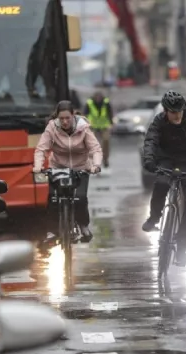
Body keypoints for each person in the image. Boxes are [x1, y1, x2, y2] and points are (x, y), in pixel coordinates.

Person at [141, 90, 186, 266]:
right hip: (167, 160)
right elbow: (150, 141)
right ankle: (154, 217)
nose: (176, 116)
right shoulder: (159, 122)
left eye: (179, 111)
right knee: (160, 183)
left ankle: (182, 247)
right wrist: (149, 159)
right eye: (172, 112)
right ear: (166, 111)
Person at [33, 100, 103, 243]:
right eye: (61, 118)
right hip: (58, 168)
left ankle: (83, 226)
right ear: (57, 118)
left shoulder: (83, 128)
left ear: (73, 116)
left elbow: (95, 149)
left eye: (67, 118)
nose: (64, 121)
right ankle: (52, 231)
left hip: (81, 168)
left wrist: (95, 165)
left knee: (80, 199)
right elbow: (41, 149)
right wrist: (38, 166)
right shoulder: (52, 128)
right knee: (53, 198)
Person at [83, 91, 113, 168]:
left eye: (99, 98)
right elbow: (85, 114)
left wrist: (111, 123)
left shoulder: (106, 102)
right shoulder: (89, 103)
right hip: (93, 126)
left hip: (104, 126)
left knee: (106, 141)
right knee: (92, 144)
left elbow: (110, 113)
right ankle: (94, 161)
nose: (98, 99)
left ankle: (105, 159)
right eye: (97, 97)